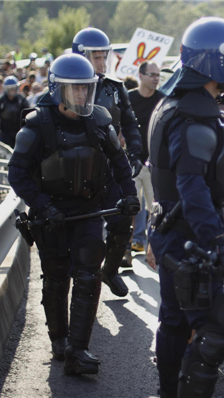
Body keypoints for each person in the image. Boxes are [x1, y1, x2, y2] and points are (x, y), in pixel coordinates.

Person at [7, 54, 139, 375]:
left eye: (86, 89)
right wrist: (43, 205)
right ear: (58, 90)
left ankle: (78, 351)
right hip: (50, 216)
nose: (82, 96)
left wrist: (130, 196)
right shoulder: (37, 125)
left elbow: (119, 163)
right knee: (56, 278)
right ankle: (59, 340)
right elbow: (17, 174)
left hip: (88, 211)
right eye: (75, 89)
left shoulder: (99, 120)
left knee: (88, 275)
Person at [147, 17, 224, 398]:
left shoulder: (179, 103)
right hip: (190, 238)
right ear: (216, 62)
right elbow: (191, 187)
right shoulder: (192, 116)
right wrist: (217, 243)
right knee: (210, 328)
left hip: (174, 232)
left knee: (174, 322)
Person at [73, 27, 144, 296]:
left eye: (104, 57)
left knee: (124, 218)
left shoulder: (115, 88)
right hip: (78, 170)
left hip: (113, 166)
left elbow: (130, 123)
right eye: (96, 57)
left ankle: (110, 271)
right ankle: (80, 279)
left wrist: (135, 153)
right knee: (81, 229)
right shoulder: (68, 86)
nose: (102, 63)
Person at [128, 61, 164, 252]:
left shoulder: (162, 99)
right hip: (131, 162)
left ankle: (153, 247)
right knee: (130, 207)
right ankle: (126, 249)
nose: (156, 79)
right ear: (140, 76)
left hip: (154, 164)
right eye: (152, 75)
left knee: (155, 209)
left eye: (158, 75)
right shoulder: (129, 98)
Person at [0, 76, 30, 148]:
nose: (12, 91)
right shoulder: (1, 101)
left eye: (14, 88)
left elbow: (28, 114)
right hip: (5, 132)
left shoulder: (21, 100)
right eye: (10, 89)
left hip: (19, 131)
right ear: (6, 89)